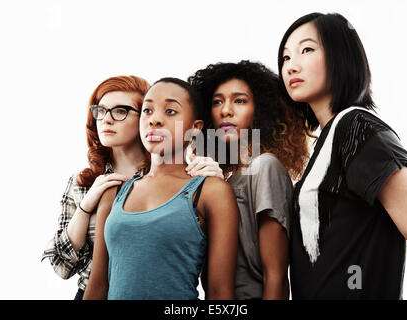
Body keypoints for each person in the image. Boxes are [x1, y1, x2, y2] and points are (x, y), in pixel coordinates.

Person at [278, 12, 407, 299]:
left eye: (306, 49)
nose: (291, 66)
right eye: (285, 58)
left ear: (341, 56)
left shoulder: (357, 128)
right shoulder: (331, 138)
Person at [42, 75, 223, 300]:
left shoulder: (185, 179)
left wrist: (213, 180)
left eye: (120, 111)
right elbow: (62, 268)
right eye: (101, 111)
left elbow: (191, 259)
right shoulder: (84, 182)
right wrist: (85, 207)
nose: (106, 120)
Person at [188, 60, 309, 299]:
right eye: (217, 102)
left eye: (239, 100)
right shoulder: (217, 178)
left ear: (260, 110)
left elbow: (275, 276)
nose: (226, 110)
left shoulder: (265, 167)